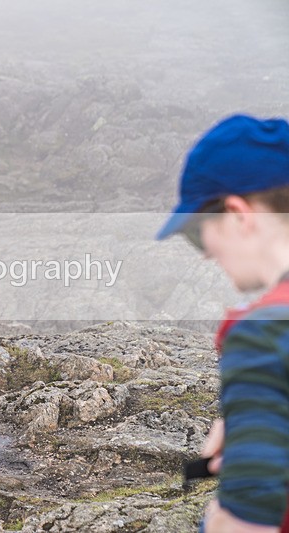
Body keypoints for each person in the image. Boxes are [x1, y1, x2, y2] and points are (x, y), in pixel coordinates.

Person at [157, 114, 289, 532]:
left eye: (198, 233)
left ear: (238, 214)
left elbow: (247, 524)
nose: (206, 254)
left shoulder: (266, 333)